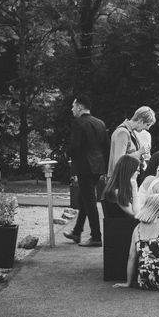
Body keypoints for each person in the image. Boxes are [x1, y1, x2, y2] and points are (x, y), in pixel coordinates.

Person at [113, 194, 159, 290]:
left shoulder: (137, 229)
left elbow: (132, 257)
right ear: (158, 208)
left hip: (145, 281)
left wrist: (128, 283)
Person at [64, 95, 110, 247]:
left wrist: (67, 154)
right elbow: (106, 147)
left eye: (73, 106)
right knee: (85, 199)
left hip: (84, 167)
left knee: (89, 202)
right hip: (98, 167)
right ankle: (77, 232)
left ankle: (96, 236)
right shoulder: (100, 123)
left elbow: (75, 146)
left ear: (79, 107)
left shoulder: (78, 123)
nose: (72, 109)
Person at [107, 106, 156, 179]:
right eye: (147, 124)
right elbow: (119, 160)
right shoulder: (122, 133)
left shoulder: (130, 132)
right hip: (121, 179)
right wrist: (139, 152)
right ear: (140, 121)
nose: (147, 128)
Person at [100, 155, 142, 219]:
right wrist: (134, 189)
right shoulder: (117, 191)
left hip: (124, 226)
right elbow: (136, 213)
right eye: (137, 170)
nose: (139, 173)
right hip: (124, 227)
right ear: (129, 171)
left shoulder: (120, 189)